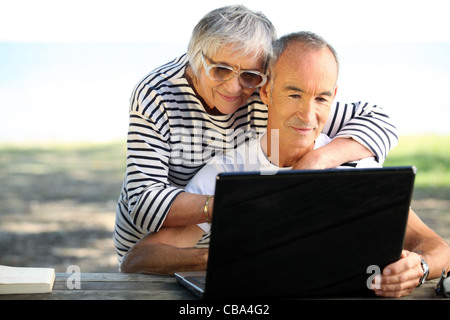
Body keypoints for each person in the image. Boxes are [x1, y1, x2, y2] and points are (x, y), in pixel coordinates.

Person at [120, 31, 450, 298]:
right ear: (265, 92)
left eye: (321, 98)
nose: (308, 116)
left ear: (333, 97)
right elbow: (139, 257)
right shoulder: (229, 174)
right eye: (294, 95)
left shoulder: (356, 168)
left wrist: (418, 266)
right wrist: (217, 259)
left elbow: (436, 246)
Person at [114, 6, 399, 273]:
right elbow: (142, 202)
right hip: (157, 246)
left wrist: (316, 160)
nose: (234, 87)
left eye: (249, 75)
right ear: (196, 57)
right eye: (221, 70)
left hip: (234, 245)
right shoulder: (157, 94)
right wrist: (237, 204)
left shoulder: (261, 88)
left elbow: (378, 123)